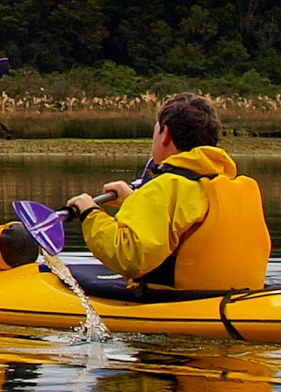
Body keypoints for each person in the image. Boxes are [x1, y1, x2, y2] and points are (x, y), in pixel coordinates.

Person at [64, 92, 270, 290]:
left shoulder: (165, 187)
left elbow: (129, 257)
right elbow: (184, 217)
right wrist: (133, 201)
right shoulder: (237, 185)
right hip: (239, 296)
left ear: (165, 134)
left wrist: (89, 213)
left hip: (182, 301)